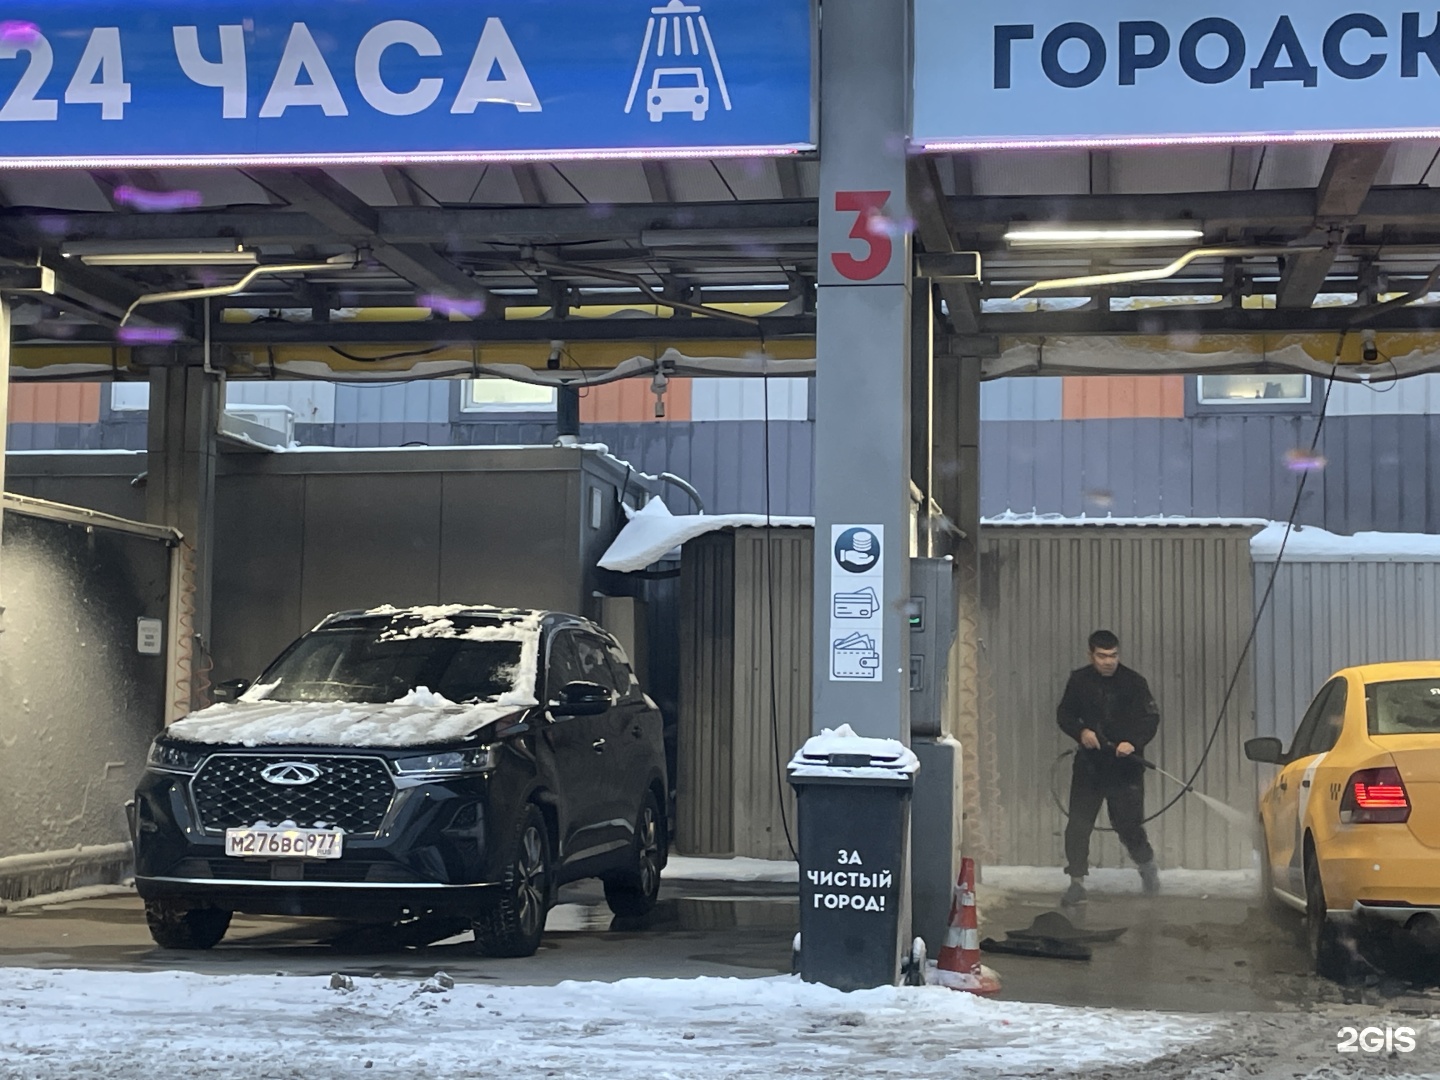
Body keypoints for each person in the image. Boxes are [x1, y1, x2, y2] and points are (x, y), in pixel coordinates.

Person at [1055, 629, 1161, 905]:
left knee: (1128, 825)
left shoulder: (1134, 683)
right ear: (1091, 655)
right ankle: (1076, 882)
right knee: (1078, 825)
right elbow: (1064, 714)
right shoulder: (1079, 681)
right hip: (1090, 767)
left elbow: (1150, 718)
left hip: (1125, 769)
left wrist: (1133, 743)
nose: (1108, 661)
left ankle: (1147, 867)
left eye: (1113, 655)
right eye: (1102, 656)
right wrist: (1081, 732)